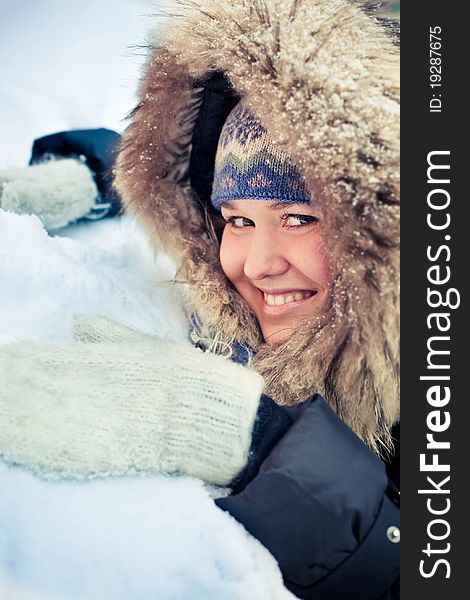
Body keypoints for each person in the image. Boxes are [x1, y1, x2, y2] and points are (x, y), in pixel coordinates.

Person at [0, 1, 400, 598]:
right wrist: (84, 181)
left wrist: (256, 439)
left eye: (298, 216)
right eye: (236, 220)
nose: (258, 264)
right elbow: (167, 177)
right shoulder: (241, 304)